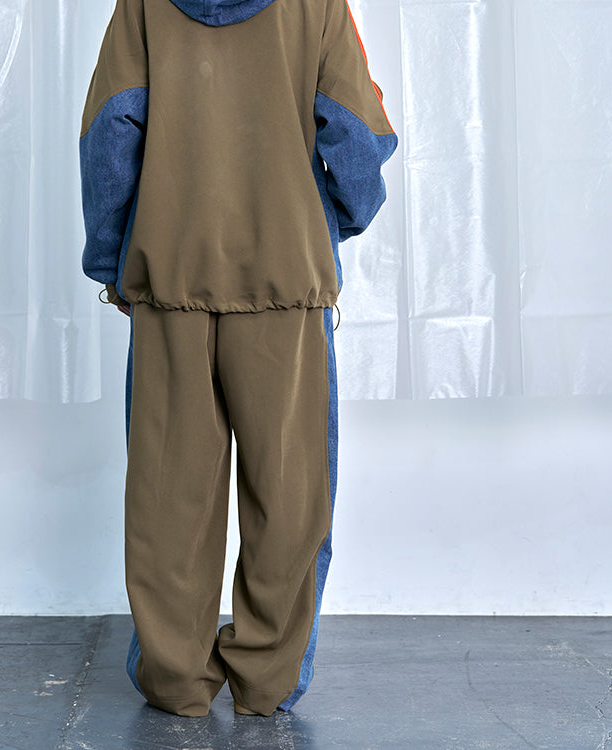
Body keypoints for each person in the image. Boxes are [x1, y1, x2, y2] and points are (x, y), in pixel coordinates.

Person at [79, 0, 397, 718]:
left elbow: (109, 132)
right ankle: (268, 678)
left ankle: (175, 678)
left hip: (169, 280)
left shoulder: (142, 5)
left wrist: (112, 259)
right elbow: (357, 130)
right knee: (290, 495)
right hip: (286, 284)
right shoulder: (315, 5)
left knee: (168, 496)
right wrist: (321, 220)